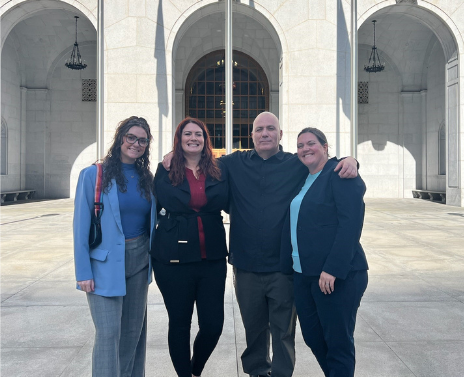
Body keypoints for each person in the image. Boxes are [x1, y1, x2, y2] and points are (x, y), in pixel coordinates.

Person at [163, 111, 358, 377]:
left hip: (283, 266)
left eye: (270, 128)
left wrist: (351, 160)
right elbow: (200, 159)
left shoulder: (296, 163)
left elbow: (322, 163)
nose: (264, 133)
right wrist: (173, 155)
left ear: (280, 135)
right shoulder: (233, 163)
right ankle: (257, 372)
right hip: (246, 265)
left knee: (283, 331)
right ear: (251, 135)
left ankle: (280, 373)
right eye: (259, 129)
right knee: (253, 329)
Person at [281, 127, 368, 377]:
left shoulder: (339, 173)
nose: (305, 149)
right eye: (300, 146)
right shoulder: (303, 176)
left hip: (337, 275)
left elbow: (351, 224)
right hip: (303, 274)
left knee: (338, 342)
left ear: (325, 146)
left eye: (311, 143)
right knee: (313, 337)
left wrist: (333, 268)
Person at [73, 116, 156, 377]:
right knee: (109, 334)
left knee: (133, 334)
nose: (136, 144)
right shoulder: (93, 175)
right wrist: (83, 271)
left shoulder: (147, 178)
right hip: (104, 266)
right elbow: (80, 227)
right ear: (120, 138)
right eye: (131, 137)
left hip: (139, 262)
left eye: (142, 140)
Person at [152, 117, 229, 377]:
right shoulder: (166, 168)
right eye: (188, 134)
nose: (193, 138)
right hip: (173, 259)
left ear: (205, 139)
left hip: (212, 259)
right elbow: (159, 203)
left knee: (212, 325)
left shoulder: (219, 169)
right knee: (180, 323)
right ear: (179, 138)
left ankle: (196, 369)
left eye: (198, 134)